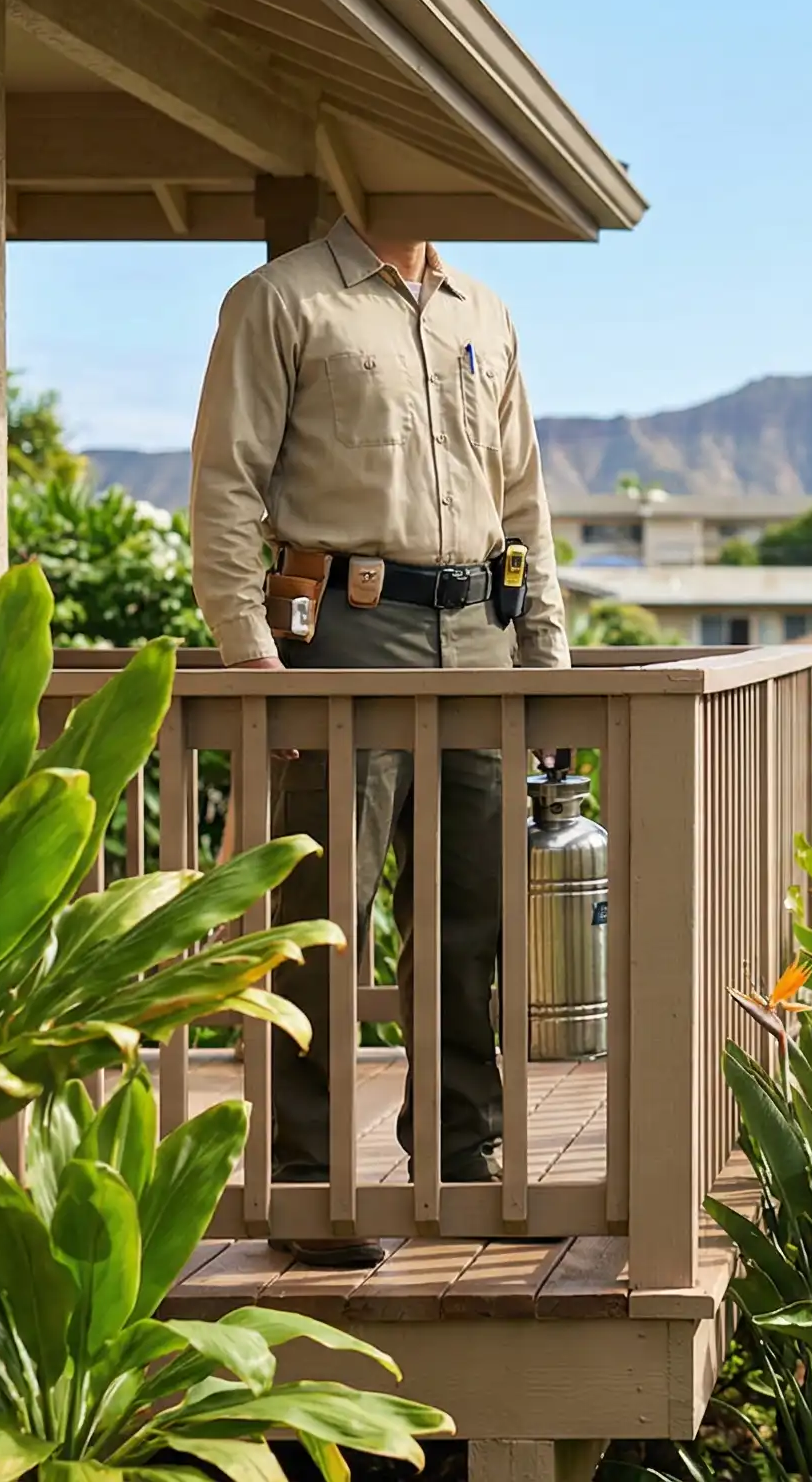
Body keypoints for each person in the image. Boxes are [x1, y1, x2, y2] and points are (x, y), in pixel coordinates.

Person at [190, 214, 567, 1268]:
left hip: (478, 633)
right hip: (344, 628)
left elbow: (525, 504)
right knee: (322, 915)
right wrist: (246, 651)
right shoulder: (281, 299)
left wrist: (543, 663)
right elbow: (226, 481)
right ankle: (308, 1180)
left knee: (470, 910)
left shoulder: (482, 312)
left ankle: (459, 1154)